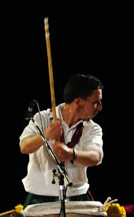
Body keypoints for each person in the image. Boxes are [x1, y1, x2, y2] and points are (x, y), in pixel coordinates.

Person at [19, 74, 104, 206]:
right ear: (78, 102)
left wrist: (71, 154)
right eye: (96, 102)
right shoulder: (43, 118)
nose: (100, 107)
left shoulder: (92, 128)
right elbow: (24, 147)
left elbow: (96, 156)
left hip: (76, 198)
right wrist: (45, 135)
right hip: (40, 199)